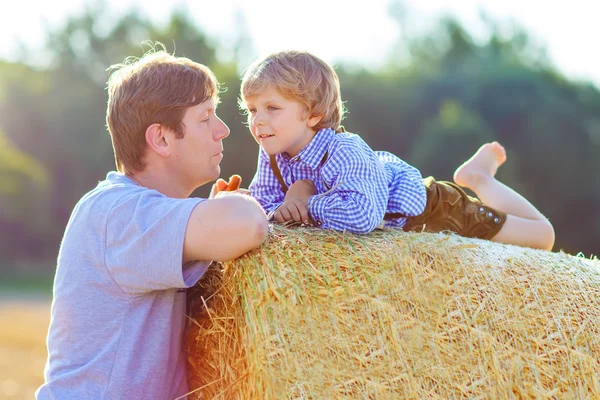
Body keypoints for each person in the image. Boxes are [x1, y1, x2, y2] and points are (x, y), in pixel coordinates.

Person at [36, 46, 269, 400]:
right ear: (161, 138)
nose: (222, 130)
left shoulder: (137, 212)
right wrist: (224, 209)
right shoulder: (118, 213)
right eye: (206, 117)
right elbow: (248, 223)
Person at [239, 50, 555, 250]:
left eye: (272, 108)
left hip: (433, 212)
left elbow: (363, 215)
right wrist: (275, 205)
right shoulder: (272, 152)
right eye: (252, 110)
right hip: (404, 222)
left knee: (542, 237)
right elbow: (267, 206)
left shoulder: (345, 151)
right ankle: (479, 177)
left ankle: (480, 178)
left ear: (313, 113)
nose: (259, 121)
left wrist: (307, 203)